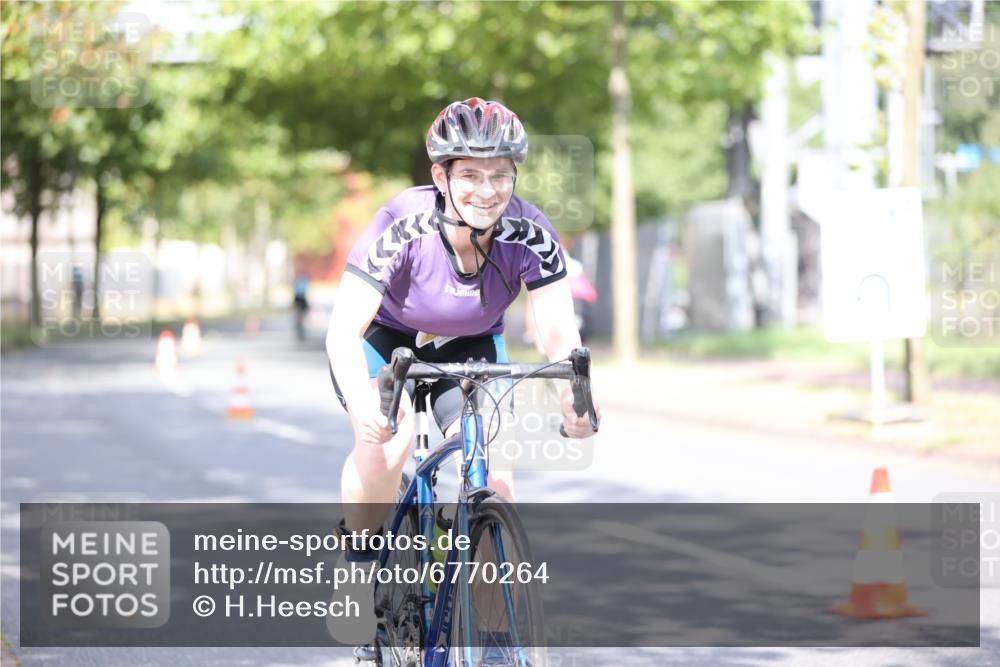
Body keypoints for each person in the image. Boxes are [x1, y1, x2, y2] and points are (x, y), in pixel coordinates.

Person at [324, 97, 601, 649]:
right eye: (470, 174)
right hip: (388, 338)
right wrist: (362, 401)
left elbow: (557, 331)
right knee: (388, 442)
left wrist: (578, 397)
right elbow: (342, 331)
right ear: (440, 176)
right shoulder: (400, 223)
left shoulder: (530, 231)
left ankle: (491, 641)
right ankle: (358, 562)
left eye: (501, 174)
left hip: (471, 344)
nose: (487, 189)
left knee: (498, 477)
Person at [293, 274, 310, 341]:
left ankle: (300, 329)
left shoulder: (299, 281)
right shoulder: (302, 281)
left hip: (300, 300)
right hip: (300, 300)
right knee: (300, 318)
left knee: (300, 318)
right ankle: (300, 329)